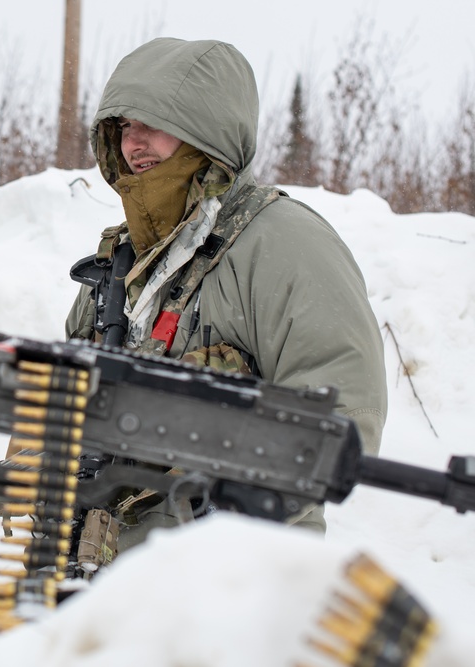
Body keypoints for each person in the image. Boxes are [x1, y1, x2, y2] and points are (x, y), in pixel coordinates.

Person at [61, 38, 387, 551]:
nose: (133, 143)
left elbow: (345, 411)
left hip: (237, 583)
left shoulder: (286, 242)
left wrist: (244, 495)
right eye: (123, 127)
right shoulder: (119, 264)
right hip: (104, 588)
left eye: (153, 123)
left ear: (205, 129)